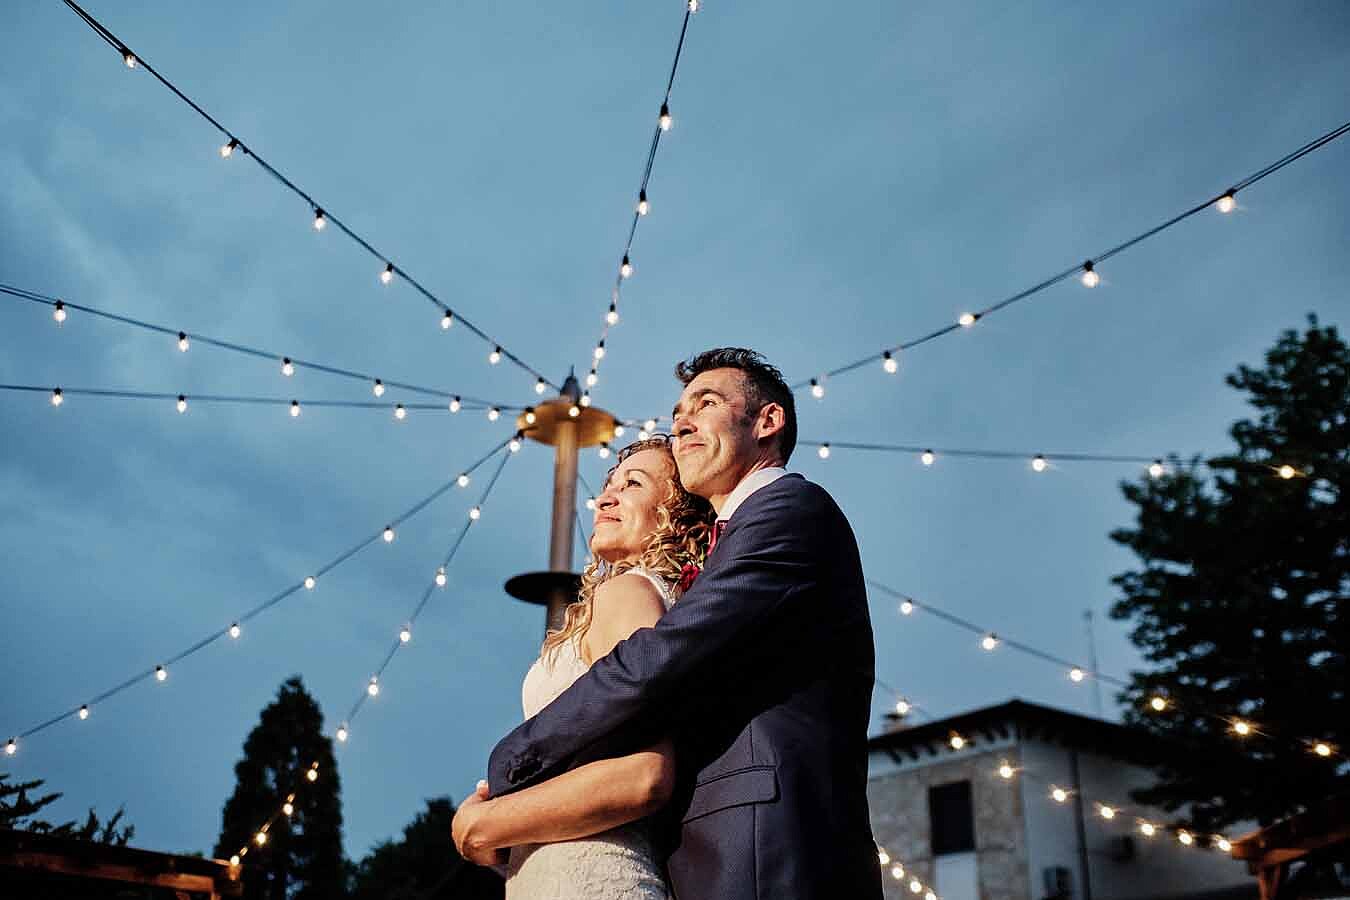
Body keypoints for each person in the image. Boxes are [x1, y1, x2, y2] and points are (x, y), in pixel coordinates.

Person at [465, 348, 883, 900]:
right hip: (698, 860)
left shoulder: (790, 509)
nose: (682, 420)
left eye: (706, 403)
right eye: (678, 410)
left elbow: (656, 659)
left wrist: (509, 773)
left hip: (767, 855)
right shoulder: (722, 549)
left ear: (768, 421)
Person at [452, 436, 714, 899]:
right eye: (609, 483)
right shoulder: (652, 605)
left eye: (633, 484)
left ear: (675, 513)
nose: (606, 496)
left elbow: (644, 776)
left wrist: (484, 825)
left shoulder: (629, 593)